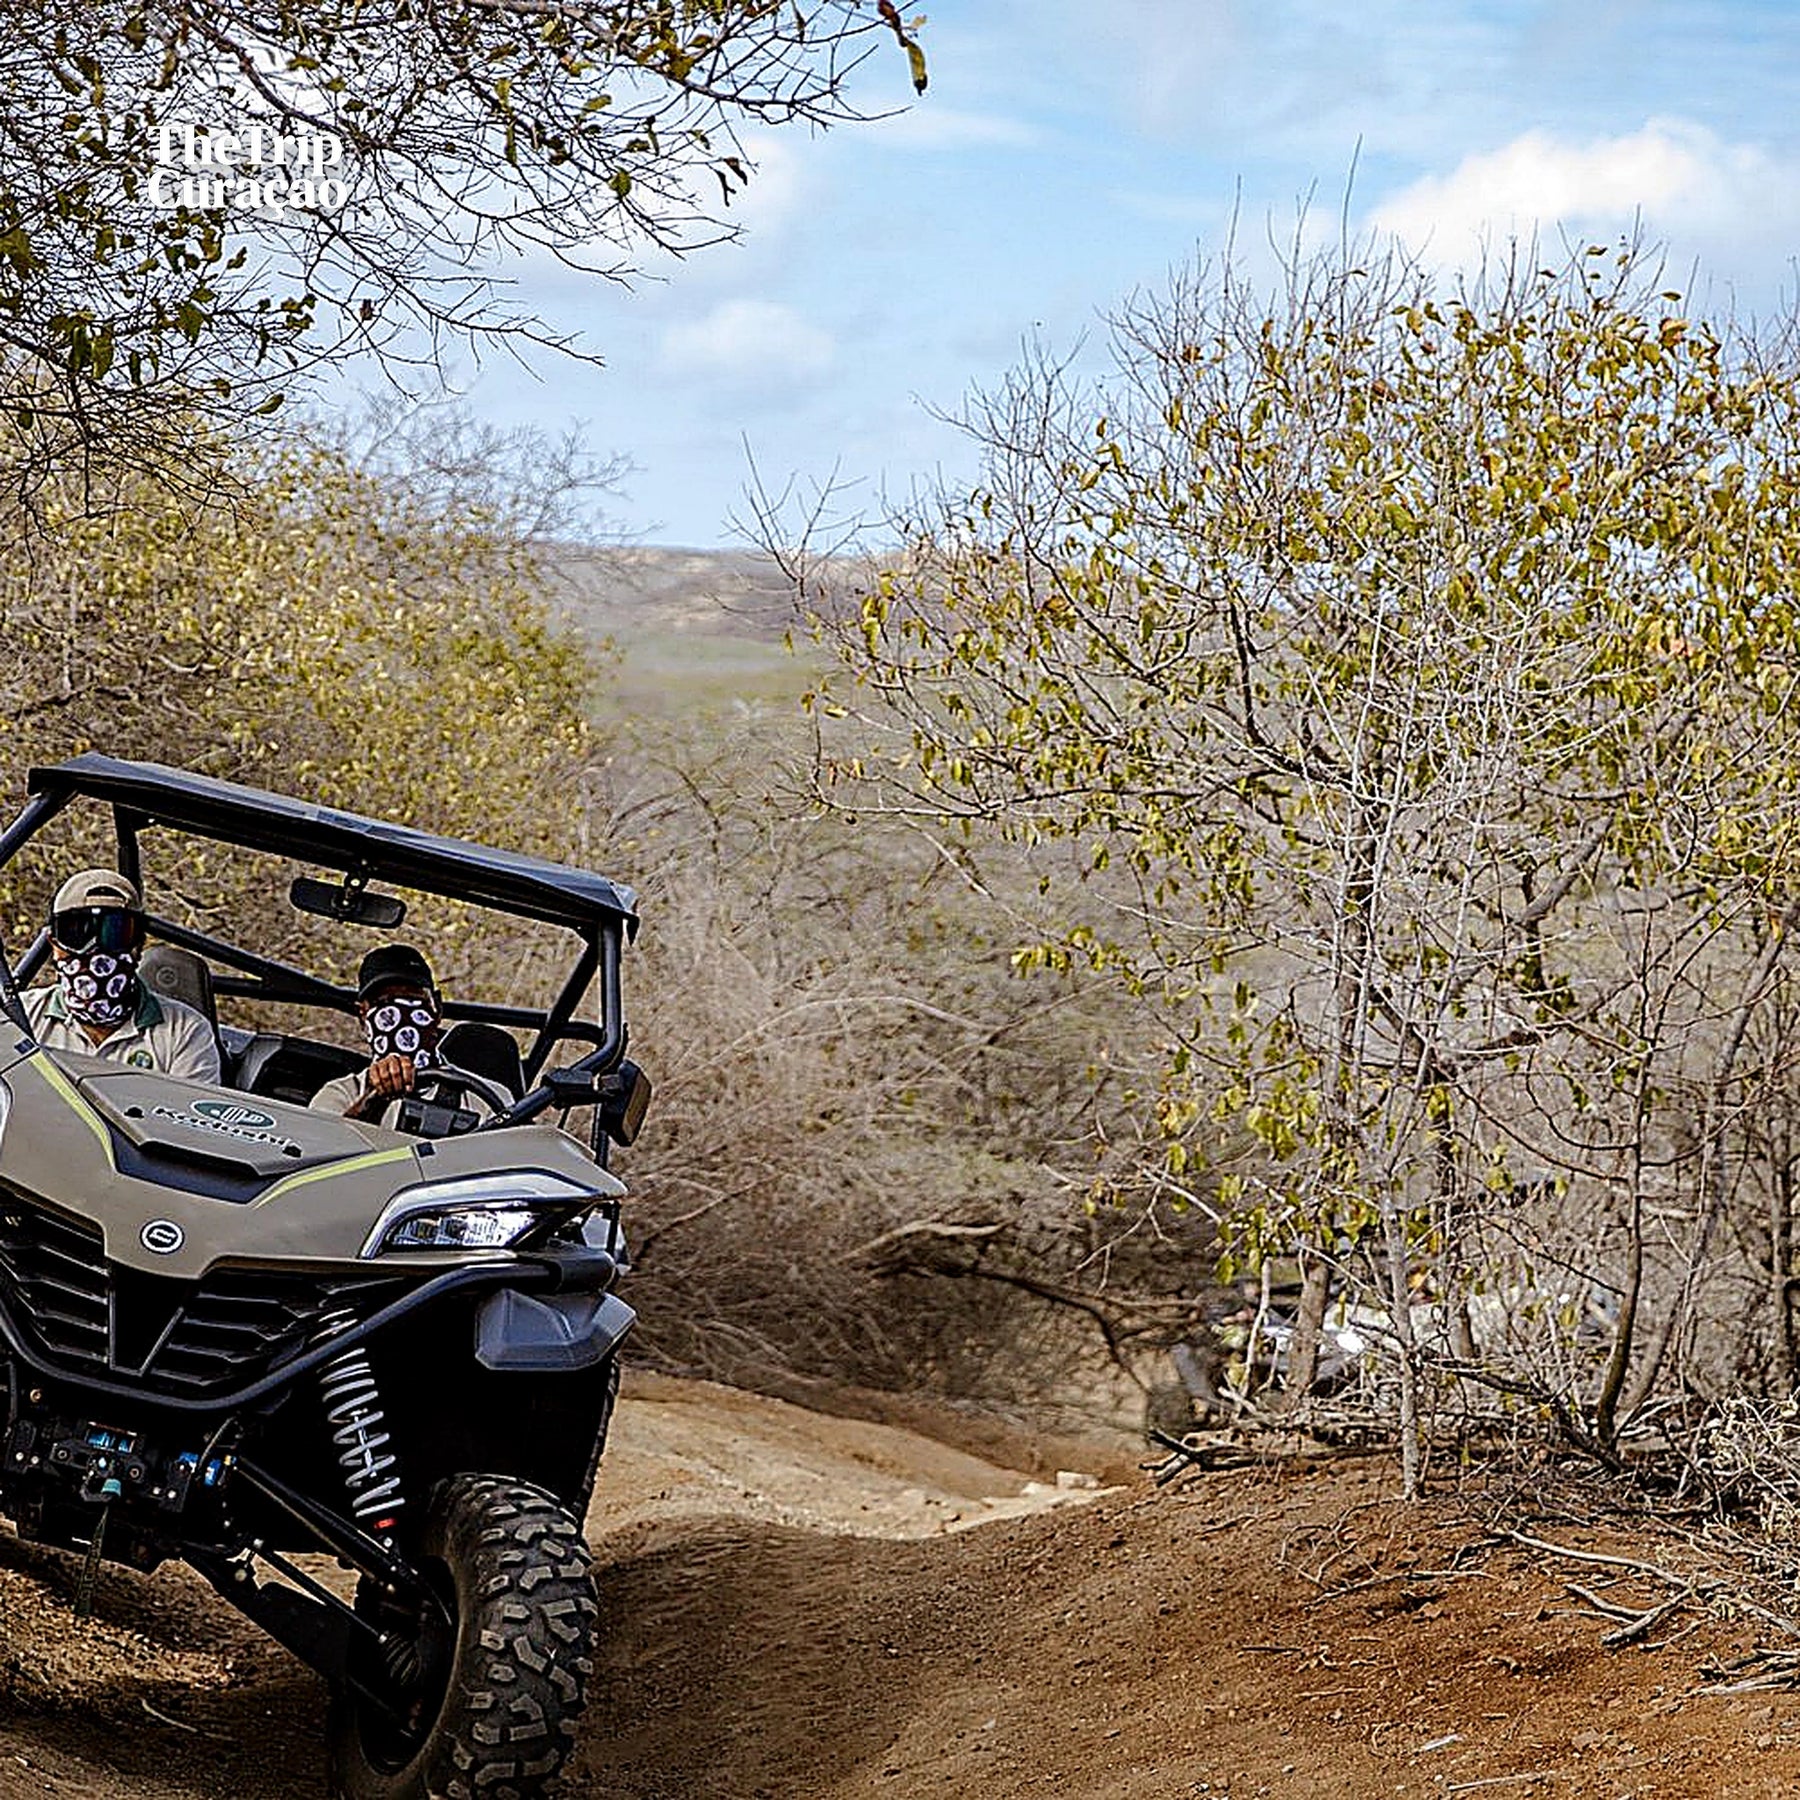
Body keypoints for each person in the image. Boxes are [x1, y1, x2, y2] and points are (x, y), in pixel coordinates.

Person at [23, 869, 221, 1083]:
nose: (97, 952)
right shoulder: (20, 1017)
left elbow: (188, 1111)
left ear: (138, 946)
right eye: (78, 934)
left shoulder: (185, 1031)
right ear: (55, 945)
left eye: (114, 932)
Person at [313, 944, 449, 1124]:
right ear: (363, 1015)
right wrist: (373, 1101)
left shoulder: (478, 1097)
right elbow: (327, 1143)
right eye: (383, 1002)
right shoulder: (340, 1095)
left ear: (436, 1008)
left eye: (413, 999)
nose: (399, 1013)